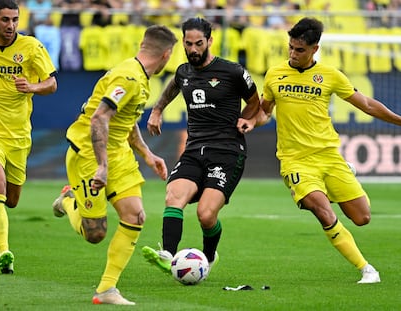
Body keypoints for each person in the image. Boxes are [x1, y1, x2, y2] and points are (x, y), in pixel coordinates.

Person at [260, 17, 401, 284]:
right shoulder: (274, 75)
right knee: (324, 211)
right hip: (295, 161)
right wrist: (249, 121)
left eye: (299, 50)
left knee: (362, 217)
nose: (292, 53)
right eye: (290, 47)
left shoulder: (331, 76)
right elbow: (264, 112)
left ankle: (336, 180)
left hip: (329, 155)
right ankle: (367, 269)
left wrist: (399, 120)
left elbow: (368, 105)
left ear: (314, 49)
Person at [51, 25, 177, 305]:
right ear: (167, 54)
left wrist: (147, 154)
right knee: (95, 233)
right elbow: (99, 119)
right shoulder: (129, 77)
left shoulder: (139, 76)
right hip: (88, 155)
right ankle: (68, 200)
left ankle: (106, 290)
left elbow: (125, 119)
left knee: (135, 215)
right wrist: (102, 165)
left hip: (118, 152)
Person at [142, 17, 265, 276]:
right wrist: (157, 110)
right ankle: (168, 255)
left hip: (227, 151)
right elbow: (173, 86)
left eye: (199, 43)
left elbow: (255, 101)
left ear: (210, 41)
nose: (194, 49)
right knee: (173, 196)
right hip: (194, 149)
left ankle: (208, 257)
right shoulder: (184, 72)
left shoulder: (232, 71)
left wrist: (247, 118)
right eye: (188, 44)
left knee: (205, 215)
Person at [0, 0, 57, 274]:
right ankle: (4, 252)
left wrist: (32, 86)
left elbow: (52, 83)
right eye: (5, 19)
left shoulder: (31, 47)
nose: (11, 25)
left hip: (17, 135)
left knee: (11, 199)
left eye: (15, 19)